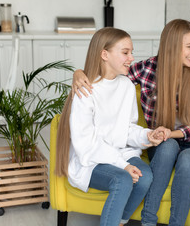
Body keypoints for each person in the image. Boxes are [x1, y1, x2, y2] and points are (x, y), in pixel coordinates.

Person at [72, 19, 190, 226]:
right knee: (167, 146)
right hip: (164, 140)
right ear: (172, 46)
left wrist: (171, 133)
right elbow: (109, 77)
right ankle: (148, 221)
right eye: (189, 46)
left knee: (186, 158)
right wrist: (79, 73)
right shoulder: (147, 69)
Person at [55, 27, 164, 226]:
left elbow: (127, 129)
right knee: (122, 180)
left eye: (131, 52)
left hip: (119, 154)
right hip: (91, 160)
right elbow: (86, 144)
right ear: (104, 54)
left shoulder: (127, 87)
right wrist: (123, 165)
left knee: (146, 177)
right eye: (125, 52)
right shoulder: (86, 91)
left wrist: (147, 135)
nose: (131, 58)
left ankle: (119, 221)